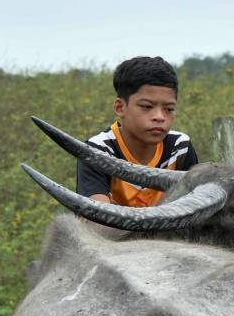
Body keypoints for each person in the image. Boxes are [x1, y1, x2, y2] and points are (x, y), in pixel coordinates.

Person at [77, 56, 199, 206]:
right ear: (120, 107)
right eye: (147, 107)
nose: (160, 117)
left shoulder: (180, 147)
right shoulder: (98, 150)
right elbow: (95, 219)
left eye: (169, 109)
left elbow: (196, 207)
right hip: (113, 230)